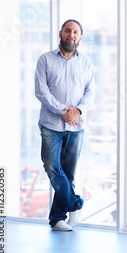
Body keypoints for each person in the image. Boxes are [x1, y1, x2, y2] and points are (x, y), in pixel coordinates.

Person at [35, 19, 95, 231]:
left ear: (80, 37)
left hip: (76, 126)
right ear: (60, 34)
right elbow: (42, 92)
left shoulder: (86, 62)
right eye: (68, 31)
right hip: (51, 124)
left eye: (76, 32)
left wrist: (76, 111)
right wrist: (64, 111)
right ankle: (75, 204)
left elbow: (90, 92)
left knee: (68, 173)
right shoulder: (45, 60)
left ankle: (57, 218)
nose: (71, 35)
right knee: (52, 166)